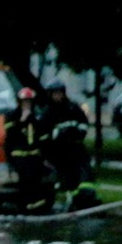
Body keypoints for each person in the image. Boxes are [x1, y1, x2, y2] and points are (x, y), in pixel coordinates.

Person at [40, 81, 98, 210]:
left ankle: (88, 197)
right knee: (69, 176)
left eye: (59, 93)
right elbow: (44, 135)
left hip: (76, 147)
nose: (58, 96)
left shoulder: (73, 107)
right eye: (55, 94)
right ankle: (75, 199)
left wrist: (77, 133)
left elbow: (83, 124)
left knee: (86, 171)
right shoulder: (47, 112)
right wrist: (58, 135)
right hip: (59, 151)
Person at [5, 87, 54, 213]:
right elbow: (11, 135)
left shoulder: (37, 117)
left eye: (29, 101)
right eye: (24, 101)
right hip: (19, 156)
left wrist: (45, 157)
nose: (27, 104)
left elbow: (43, 137)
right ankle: (25, 207)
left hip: (35, 156)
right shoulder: (11, 116)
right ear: (19, 102)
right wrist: (22, 120)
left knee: (38, 181)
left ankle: (36, 207)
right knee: (25, 181)